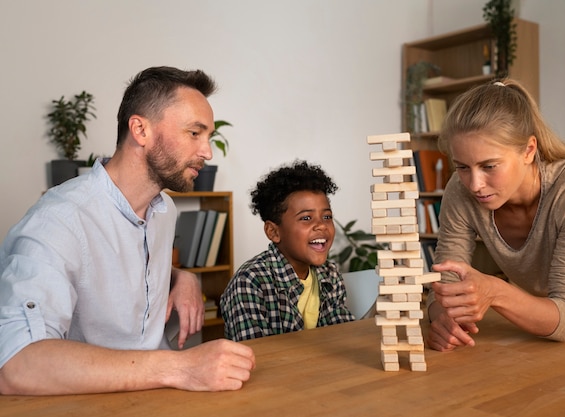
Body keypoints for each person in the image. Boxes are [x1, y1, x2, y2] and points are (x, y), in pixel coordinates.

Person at [0, 66, 255, 395]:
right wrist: (182, 367)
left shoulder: (164, 211)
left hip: (156, 399)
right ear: (140, 129)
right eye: (195, 133)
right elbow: (16, 365)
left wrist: (181, 277)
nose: (207, 152)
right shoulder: (57, 220)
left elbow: (119, 261)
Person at [426, 79, 565, 352]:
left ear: (529, 151)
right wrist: (441, 319)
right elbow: (443, 285)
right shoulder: (459, 190)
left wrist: (495, 291)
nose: (474, 184)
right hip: (553, 312)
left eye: (489, 166)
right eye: (462, 166)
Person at [221, 160, 355, 341]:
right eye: (306, 218)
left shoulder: (330, 275)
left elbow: (342, 337)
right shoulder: (250, 282)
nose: (321, 226)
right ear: (274, 232)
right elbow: (256, 355)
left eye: (327, 216)